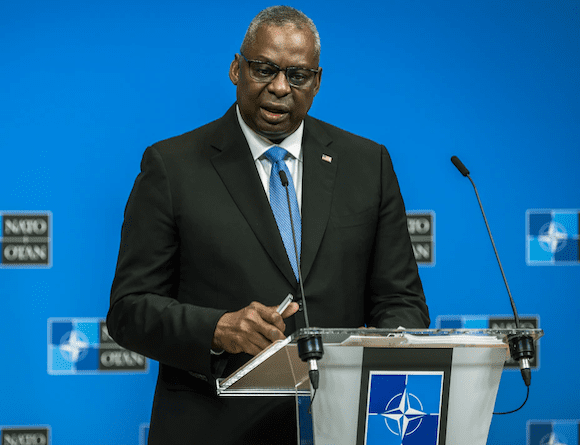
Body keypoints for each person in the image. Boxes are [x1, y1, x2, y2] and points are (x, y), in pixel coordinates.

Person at [107, 5, 429, 444]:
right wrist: (217, 329)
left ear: (316, 82)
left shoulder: (367, 164)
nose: (279, 87)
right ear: (236, 69)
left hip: (339, 425)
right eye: (264, 69)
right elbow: (129, 310)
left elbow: (402, 300)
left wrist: (384, 357)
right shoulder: (172, 167)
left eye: (297, 75)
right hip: (214, 427)